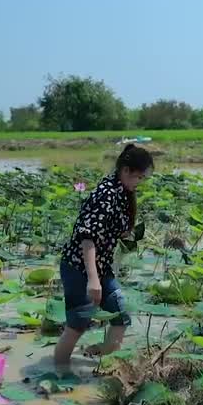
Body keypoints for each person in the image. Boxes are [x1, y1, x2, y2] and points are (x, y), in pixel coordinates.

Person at [54, 144, 155, 375]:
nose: (139, 182)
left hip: (102, 268)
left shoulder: (122, 192)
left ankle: (107, 367)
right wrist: (93, 280)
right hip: (80, 268)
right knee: (77, 326)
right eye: (139, 176)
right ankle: (59, 373)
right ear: (126, 170)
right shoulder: (106, 194)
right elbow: (87, 238)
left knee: (121, 316)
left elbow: (111, 230)